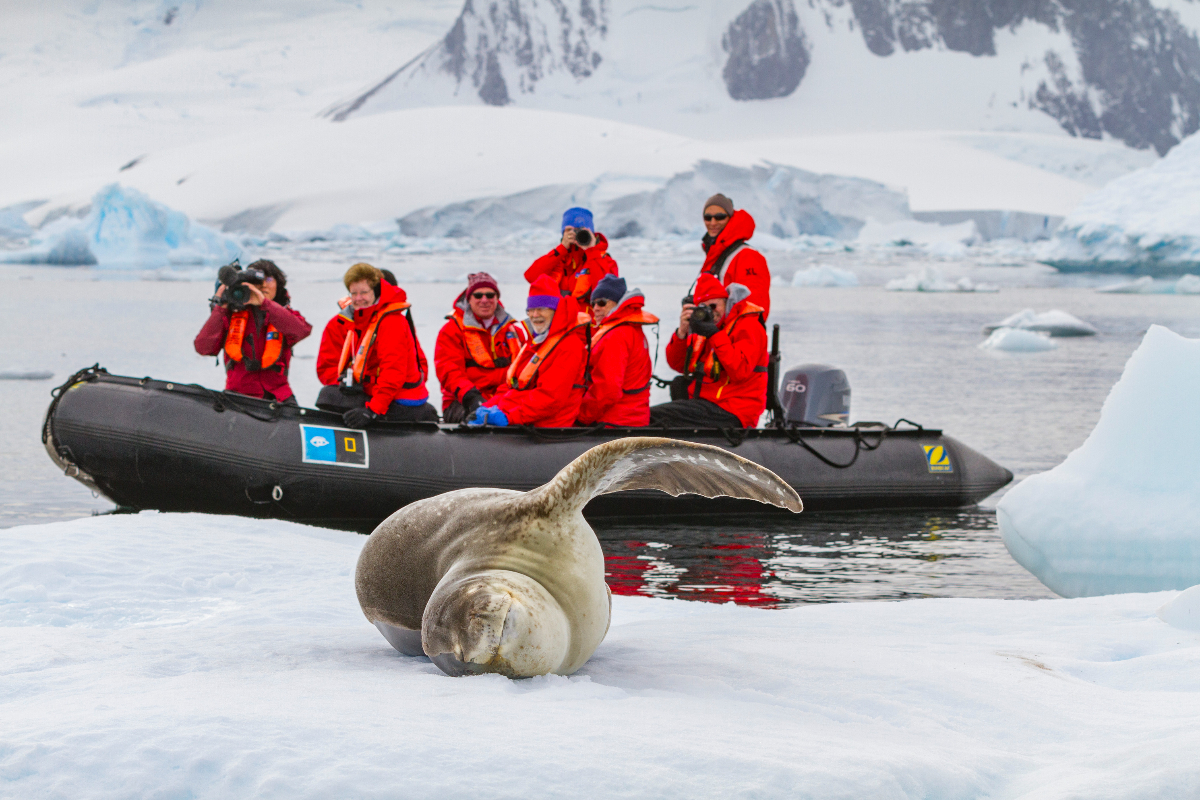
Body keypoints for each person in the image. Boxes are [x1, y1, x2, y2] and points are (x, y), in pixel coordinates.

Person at [318, 262, 437, 428]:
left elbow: (394, 372)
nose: (359, 298)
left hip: (400, 399)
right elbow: (328, 367)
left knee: (329, 396)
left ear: (376, 291)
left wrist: (372, 410)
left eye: (364, 292)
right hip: (378, 393)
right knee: (330, 394)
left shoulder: (391, 322)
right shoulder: (360, 320)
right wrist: (348, 383)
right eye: (354, 293)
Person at [468, 275, 589, 428]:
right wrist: (488, 406)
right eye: (531, 310)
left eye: (541, 309)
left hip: (548, 427)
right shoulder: (536, 342)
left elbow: (550, 398)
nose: (534, 315)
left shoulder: (569, 346)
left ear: (555, 310)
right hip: (524, 419)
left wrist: (509, 416)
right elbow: (513, 385)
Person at [650, 273, 768, 429]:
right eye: (704, 308)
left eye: (713, 306)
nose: (711, 313)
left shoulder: (748, 326)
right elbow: (677, 364)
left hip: (733, 408)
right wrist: (682, 332)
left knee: (653, 417)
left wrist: (714, 334)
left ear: (727, 303)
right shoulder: (702, 329)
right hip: (705, 403)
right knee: (677, 386)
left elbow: (739, 370)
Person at [194, 259, 311, 403]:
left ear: (279, 284)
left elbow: (302, 331)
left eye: (269, 279)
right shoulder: (230, 316)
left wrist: (265, 304)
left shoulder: (285, 315)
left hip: (278, 396)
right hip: (238, 395)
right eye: (256, 281)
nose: (263, 285)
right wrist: (221, 305)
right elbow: (203, 347)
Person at [434, 272, 525, 423]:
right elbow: (449, 371)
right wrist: (472, 398)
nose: (484, 300)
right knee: (479, 418)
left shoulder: (514, 332)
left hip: (504, 398)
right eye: (478, 295)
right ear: (468, 299)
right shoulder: (451, 331)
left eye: (490, 295)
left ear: (497, 299)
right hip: (464, 400)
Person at [576, 275, 658, 427]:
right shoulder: (631, 329)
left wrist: (581, 417)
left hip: (616, 422)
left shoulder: (616, 335)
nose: (595, 308)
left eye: (601, 302)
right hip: (634, 417)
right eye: (593, 303)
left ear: (617, 303)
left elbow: (608, 390)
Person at [694, 193, 771, 319]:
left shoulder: (748, 257)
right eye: (708, 217)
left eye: (720, 217)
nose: (713, 222)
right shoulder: (715, 256)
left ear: (730, 218)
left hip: (733, 337)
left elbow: (753, 311)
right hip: (716, 336)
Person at [524, 207, 618, 309]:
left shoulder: (605, 260)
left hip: (589, 322)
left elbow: (605, 293)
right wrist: (561, 249)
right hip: (559, 320)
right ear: (563, 233)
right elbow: (531, 277)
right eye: (569, 230)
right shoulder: (557, 259)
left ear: (591, 233)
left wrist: (591, 250)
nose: (576, 234)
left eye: (581, 231)